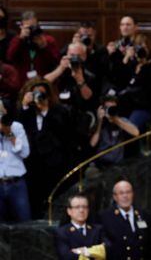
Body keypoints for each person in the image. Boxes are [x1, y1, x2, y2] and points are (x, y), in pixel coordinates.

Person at [18, 78, 73, 218]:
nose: (39, 97)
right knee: (34, 201)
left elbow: (63, 130)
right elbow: (17, 128)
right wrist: (24, 105)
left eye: (42, 94)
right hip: (32, 164)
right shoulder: (25, 112)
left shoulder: (58, 111)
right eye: (36, 93)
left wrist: (45, 110)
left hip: (54, 164)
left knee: (55, 199)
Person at [99, 180, 149, 260]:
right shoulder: (105, 217)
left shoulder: (142, 214)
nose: (125, 196)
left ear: (133, 194)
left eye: (128, 192)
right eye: (121, 193)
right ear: (115, 197)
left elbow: (150, 244)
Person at [6, 11, 59, 85]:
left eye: (33, 26)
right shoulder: (17, 40)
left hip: (43, 82)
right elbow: (10, 57)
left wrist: (43, 46)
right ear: (22, 27)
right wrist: (20, 39)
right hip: (23, 83)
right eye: (28, 28)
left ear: (38, 25)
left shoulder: (48, 40)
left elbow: (55, 62)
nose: (31, 30)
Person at [90, 94, 139, 166]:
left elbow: (136, 133)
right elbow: (92, 144)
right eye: (108, 108)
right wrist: (100, 121)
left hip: (118, 164)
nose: (110, 110)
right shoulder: (99, 122)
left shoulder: (121, 120)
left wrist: (115, 119)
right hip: (100, 163)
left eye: (113, 108)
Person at [0, 113, 31, 222]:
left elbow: (25, 153)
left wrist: (9, 133)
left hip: (16, 183)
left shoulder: (16, 127)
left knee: (25, 223)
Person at [55, 194, 106, 260]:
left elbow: (107, 249)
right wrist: (95, 253)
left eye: (84, 207)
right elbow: (66, 256)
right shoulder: (61, 232)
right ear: (69, 211)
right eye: (77, 207)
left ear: (88, 210)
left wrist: (84, 251)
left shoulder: (98, 229)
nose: (81, 210)